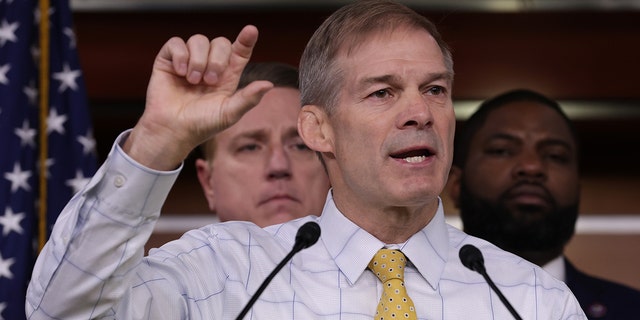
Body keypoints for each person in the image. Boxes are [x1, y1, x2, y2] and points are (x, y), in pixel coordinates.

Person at [26, 1, 586, 319]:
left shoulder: (530, 299)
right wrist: (155, 140)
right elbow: (59, 312)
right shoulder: (224, 274)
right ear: (318, 129)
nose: (420, 112)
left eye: (435, 90)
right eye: (382, 92)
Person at [448, 88, 640, 319]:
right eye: (502, 150)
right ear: (457, 184)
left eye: (555, 155)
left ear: (578, 189)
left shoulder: (631, 310)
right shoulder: (407, 304)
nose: (531, 167)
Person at [194, 62, 330, 227]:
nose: (279, 166)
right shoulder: (179, 254)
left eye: (300, 146)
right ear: (208, 182)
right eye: (250, 148)